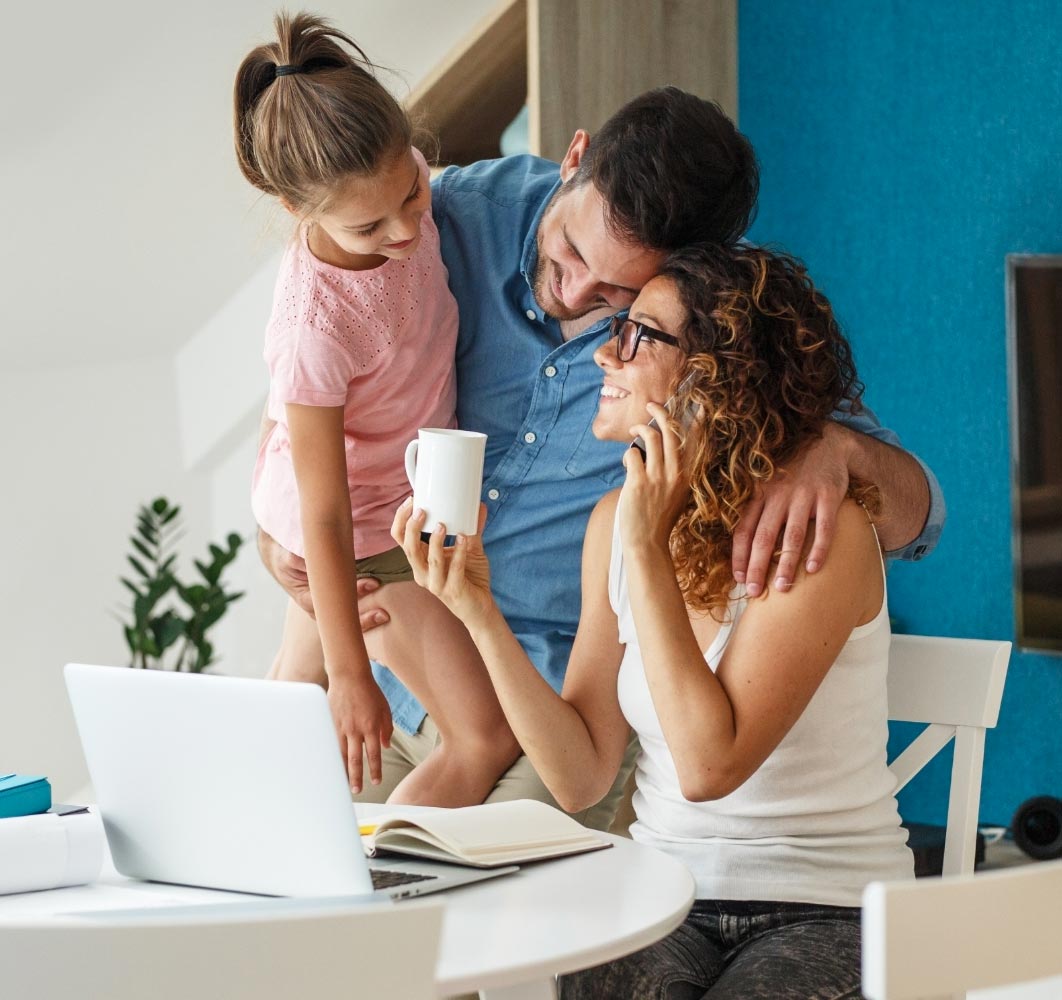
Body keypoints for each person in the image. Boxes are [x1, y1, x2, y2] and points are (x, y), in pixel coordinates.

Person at [260, 87, 945, 825]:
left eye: (618, 292)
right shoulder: (432, 220)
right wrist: (279, 524)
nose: (576, 293)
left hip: (548, 718)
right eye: (573, 251)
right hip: (395, 654)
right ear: (575, 159)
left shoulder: (704, 327)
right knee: (287, 865)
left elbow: (922, 516)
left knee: (484, 912)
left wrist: (838, 451)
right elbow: (313, 369)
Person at [394, 242, 915, 999]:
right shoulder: (614, 523)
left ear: (716, 373)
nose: (607, 352)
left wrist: (646, 543)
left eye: (638, 334)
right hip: (661, 895)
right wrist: (476, 610)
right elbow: (580, 775)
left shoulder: (816, 533)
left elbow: (709, 767)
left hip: (826, 909)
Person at [234, 11, 518, 805]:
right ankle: (375, 905)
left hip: (379, 502)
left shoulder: (394, 184)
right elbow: (323, 511)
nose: (405, 228)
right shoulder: (315, 326)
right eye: (369, 224)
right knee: (483, 737)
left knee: (287, 696)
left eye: (413, 192)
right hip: (350, 531)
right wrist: (351, 674)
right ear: (299, 213)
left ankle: (240, 849)